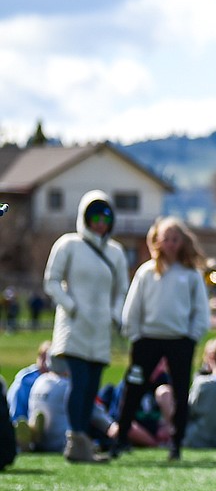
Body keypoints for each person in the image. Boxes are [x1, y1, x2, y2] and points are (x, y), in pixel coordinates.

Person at [112, 216, 211, 461]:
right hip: (147, 339)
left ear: (182, 242)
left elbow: (201, 310)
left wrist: (191, 336)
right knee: (133, 389)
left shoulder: (190, 274)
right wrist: (134, 335)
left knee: (180, 392)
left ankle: (176, 443)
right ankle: (121, 438)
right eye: (166, 239)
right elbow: (132, 307)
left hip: (179, 340)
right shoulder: (146, 272)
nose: (170, 244)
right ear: (157, 241)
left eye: (175, 239)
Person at [43, 190, 129, 463]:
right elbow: (52, 280)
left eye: (105, 216)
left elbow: (121, 290)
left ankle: (83, 441)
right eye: (94, 215)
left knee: (92, 387)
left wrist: (115, 314)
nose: (99, 222)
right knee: (78, 383)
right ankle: (76, 437)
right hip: (75, 326)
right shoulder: (68, 244)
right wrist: (71, 306)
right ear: (84, 217)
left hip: (100, 329)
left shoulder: (115, 252)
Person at [7, 341, 51, 426]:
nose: (46, 364)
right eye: (43, 358)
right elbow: (16, 413)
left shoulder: (61, 380)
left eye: (49, 359)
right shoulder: (26, 380)